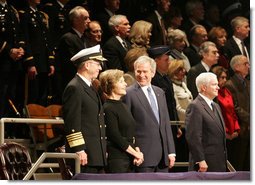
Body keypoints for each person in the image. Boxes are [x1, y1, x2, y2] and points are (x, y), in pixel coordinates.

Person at [123, 55, 176, 172]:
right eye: (138, 71)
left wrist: (171, 151)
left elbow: (165, 123)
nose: (141, 75)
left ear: (153, 72)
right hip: (142, 156)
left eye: (145, 72)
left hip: (163, 158)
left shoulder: (160, 92)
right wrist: (135, 151)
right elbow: (127, 126)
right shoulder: (129, 93)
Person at [62, 45, 107, 173]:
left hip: (96, 154)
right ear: (87, 65)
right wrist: (79, 149)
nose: (100, 67)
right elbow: (72, 122)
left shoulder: (90, 87)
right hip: (85, 154)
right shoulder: (75, 87)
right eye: (97, 63)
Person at [99, 69, 144, 173]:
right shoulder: (108, 108)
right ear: (111, 86)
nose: (125, 84)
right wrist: (135, 153)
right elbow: (115, 136)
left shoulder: (123, 105)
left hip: (130, 157)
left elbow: (132, 132)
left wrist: (137, 151)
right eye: (121, 81)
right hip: (118, 159)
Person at [185, 72, 227, 172]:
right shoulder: (195, 106)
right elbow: (193, 136)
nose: (218, 88)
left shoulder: (215, 106)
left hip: (219, 161)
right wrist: (200, 160)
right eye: (214, 84)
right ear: (204, 87)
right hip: (205, 164)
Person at [19, 0, 55, 106]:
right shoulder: (24, 14)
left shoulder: (40, 15)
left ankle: (39, 121)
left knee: (42, 95)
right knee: (32, 95)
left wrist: (51, 61)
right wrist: (30, 63)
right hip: (34, 60)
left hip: (43, 61)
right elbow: (25, 39)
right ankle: (29, 121)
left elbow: (46, 40)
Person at [55, 6, 90, 99]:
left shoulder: (84, 38)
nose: (89, 21)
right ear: (76, 20)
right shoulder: (68, 38)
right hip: (72, 83)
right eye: (85, 18)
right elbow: (72, 63)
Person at [224, 55, 250, 171]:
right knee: (238, 164)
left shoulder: (249, 82)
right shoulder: (230, 84)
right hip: (239, 130)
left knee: (248, 165)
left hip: (249, 129)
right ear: (236, 67)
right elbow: (234, 107)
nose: (248, 66)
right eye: (245, 64)